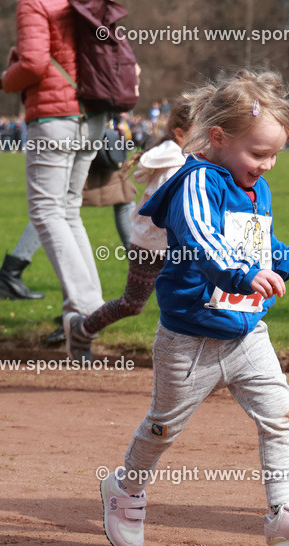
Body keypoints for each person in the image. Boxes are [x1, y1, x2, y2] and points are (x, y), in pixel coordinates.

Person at [99, 69, 289, 546]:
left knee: (278, 412)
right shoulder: (196, 182)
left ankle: (282, 512)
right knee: (163, 426)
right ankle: (125, 489)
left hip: (246, 332)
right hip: (189, 339)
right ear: (217, 138)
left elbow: (263, 241)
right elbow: (200, 238)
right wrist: (240, 274)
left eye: (275, 154)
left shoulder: (254, 186)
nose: (269, 164)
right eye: (259, 153)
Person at [0, 0, 108, 358]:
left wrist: (6, 78)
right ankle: (81, 314)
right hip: (93, 114)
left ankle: (88, 305)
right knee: (68, 211)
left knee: (46, 211)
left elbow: (33, 63)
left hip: (55, 115)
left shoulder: (36, 3)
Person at [64, 93, 195, 360]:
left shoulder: (195, 162)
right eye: (203, 133)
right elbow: (173, 212)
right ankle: (82, 328)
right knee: (132, 304)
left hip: (179, 248)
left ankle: (194, 362)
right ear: (180, 135)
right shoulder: (172, 167)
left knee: (192, 301)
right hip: (150, 246)